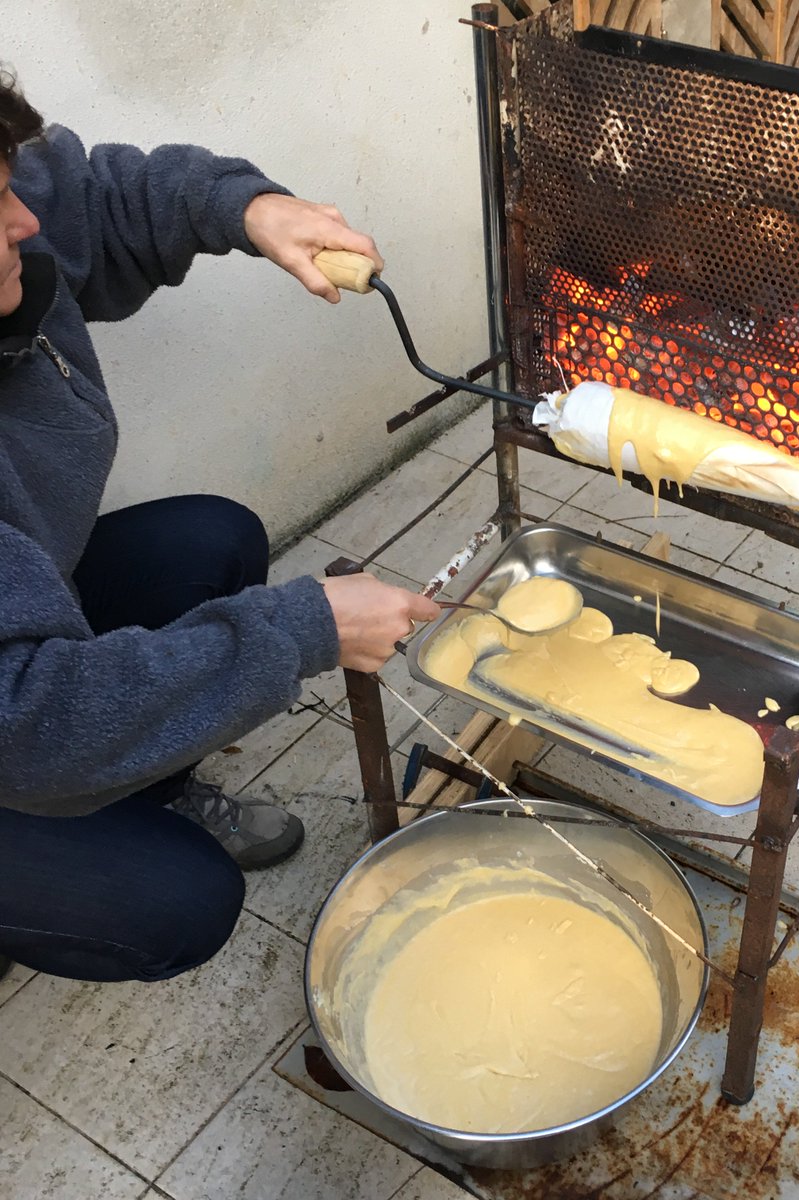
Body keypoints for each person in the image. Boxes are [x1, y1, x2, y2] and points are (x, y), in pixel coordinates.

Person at [0, 71, 440, 985]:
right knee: (175, 901)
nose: (25, 223)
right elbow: (29, 723)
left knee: (213, 540)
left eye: (2, 181)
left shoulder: (22, 221)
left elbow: (88, 197)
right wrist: (308, 628)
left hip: (18, 615)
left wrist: (249, 209)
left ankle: (145, 784)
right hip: (13, 724)